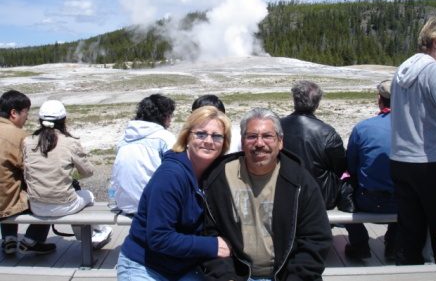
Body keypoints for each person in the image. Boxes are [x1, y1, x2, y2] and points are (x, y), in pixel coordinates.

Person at [202, 108, 333, 281]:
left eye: (267, 136)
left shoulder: (300, 181)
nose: (259, 143)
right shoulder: (219, 179)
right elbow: (210, 235)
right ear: (242, 142)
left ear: (280, 141)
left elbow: (315, 240)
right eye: (251, 136)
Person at [117, 106, 232, 281]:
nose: (208, 141)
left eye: (216, 136)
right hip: (145, 265)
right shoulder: (170, 176)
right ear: (187, 137)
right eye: (201, 134)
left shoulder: (215, 176)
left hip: (185, 266)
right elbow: (159, 237)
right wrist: (214, 245)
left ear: (224, 143)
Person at [390, 16, 436, 265]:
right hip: (431, 161)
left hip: (401, 161)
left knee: (410, 233)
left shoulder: (402, 69)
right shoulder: (435, 71)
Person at [23, 100, 112, 250]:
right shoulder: (69, 142)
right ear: (64, 120)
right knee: (88, 195)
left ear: (40, 120)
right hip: (63, 204)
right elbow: (87, 172)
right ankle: (96, 234)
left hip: (35, 204)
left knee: (54, 193)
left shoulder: (27, 141)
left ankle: (32, 239)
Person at [280, 80, 354, 212]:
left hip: (285, 193)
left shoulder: (278, 126)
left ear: (294, 101)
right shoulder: (327, 133)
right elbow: (340, 167)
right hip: (320, 196)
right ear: (317, 104)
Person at [344, 79, 397, 260]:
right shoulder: (415, 127)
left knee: (342, 193)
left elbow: (350, 166)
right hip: (404, 201)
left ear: (379, 99)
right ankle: (393, 245)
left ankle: (359, 244)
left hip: (368, 200)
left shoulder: (363, 128)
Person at [0, 90, 55, 255]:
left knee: (8, 180)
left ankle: (9, 238)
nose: (27, 117)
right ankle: (32, 239)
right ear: (14, 113)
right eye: (26, 112)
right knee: (48, 196)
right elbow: (33, 170)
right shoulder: (19, 137)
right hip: (6, 203)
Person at [111, 94, 176, 214]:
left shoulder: (124, 139)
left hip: (125, 204)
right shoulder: (165, 138)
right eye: (170, 115)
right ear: (164, 116)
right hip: (154, 206)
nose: (170, 120)